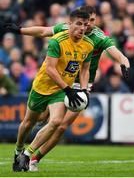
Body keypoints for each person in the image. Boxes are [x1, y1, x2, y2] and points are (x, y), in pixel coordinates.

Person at [3, 6, 130, 171]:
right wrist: (21, 30)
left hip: (75, 85)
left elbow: (113, 53)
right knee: (34, 120)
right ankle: (19, 149)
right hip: (53, 82)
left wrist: (124, 61)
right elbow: (43, 31)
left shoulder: (96, 38)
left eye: (91, 21)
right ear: (72, 23)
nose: (87, 25)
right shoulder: (62, 34)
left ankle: (31, 158)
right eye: (84, 22)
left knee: (60, 124)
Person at [11, 9, 94, 172]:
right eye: (78, 24)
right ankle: (18, 149)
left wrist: (83, 90)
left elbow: (85, 69)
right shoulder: (57, 41)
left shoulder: (88, 45)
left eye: (85, 25)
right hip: (42, 87)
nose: (82, 28)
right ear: (69, 24)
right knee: (29, 123)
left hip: (60, 91)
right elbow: (50, 69)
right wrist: (69, 89)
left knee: (56, 121)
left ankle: (27, 154)